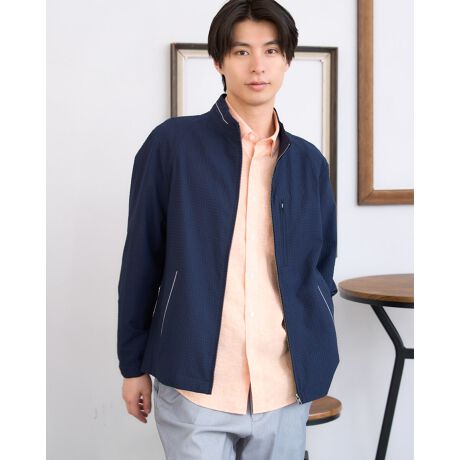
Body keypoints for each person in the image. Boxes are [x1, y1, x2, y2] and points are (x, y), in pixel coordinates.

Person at [117, 0, 339, 458]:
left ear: (287, 60)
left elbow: (321, 266)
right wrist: (132, 364)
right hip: (195, 382)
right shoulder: (172, 146)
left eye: (271, 51)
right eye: (241, 52)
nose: (258, 66)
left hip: (284, 384)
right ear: (218, 61)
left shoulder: (309, 163)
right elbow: (141, 261)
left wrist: (314, 347)